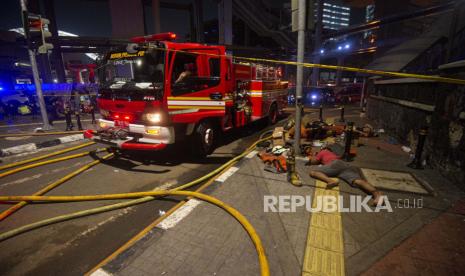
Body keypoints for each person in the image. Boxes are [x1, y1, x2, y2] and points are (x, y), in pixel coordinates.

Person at [308, 146, 383, 205]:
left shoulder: (323, 151)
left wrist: (314, 157)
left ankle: (330, 181)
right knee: (357, 181)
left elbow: (314, 161)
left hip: (334, 165)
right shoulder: (334, 154)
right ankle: (377, 194)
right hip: (345, 165)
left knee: (313, 172)